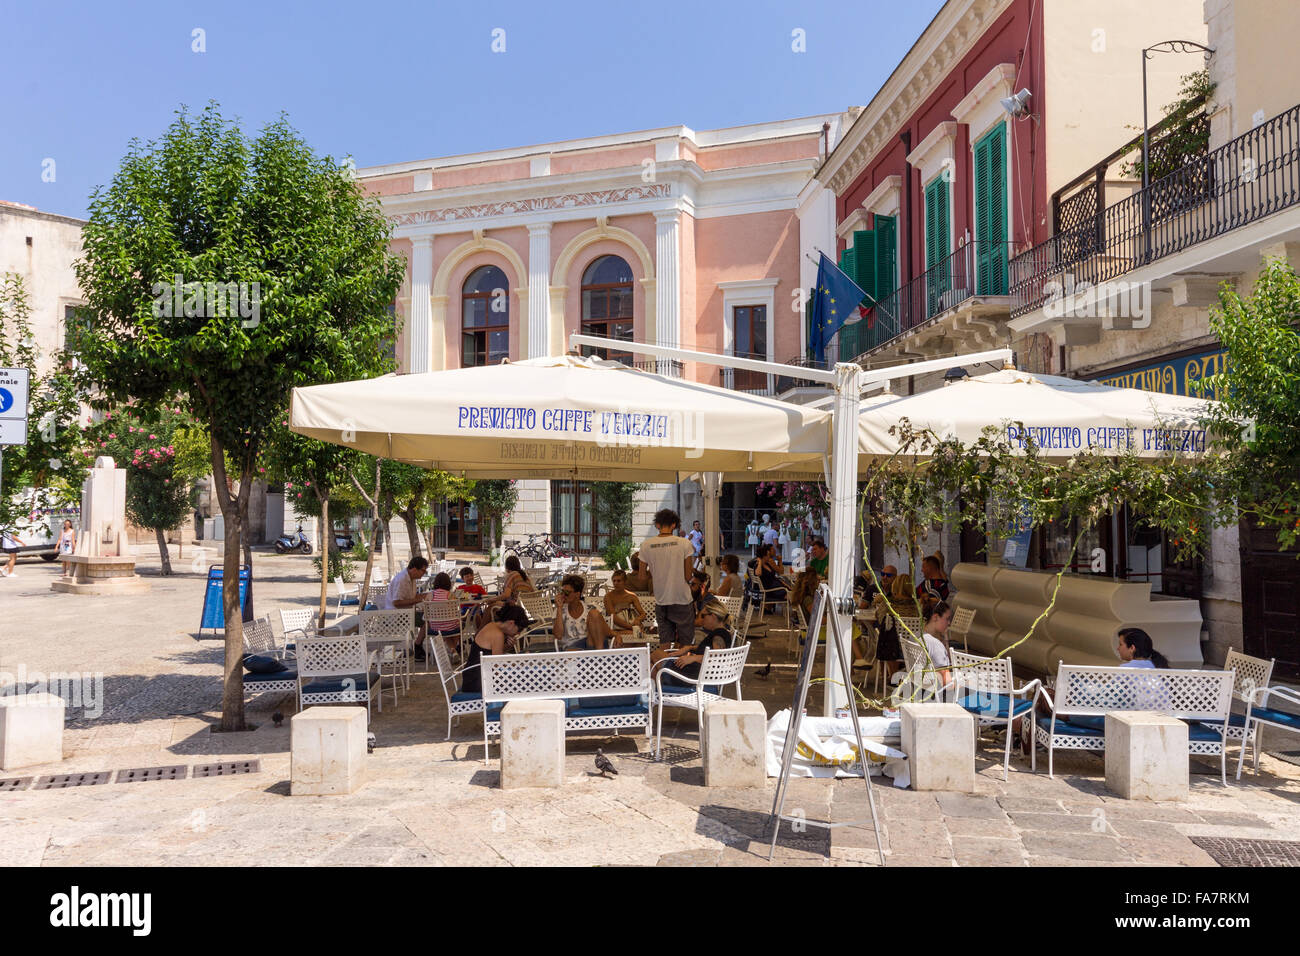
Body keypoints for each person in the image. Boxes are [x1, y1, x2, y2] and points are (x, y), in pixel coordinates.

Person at [638, 508, 696, 647]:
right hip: (682, 598)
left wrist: (657, 574)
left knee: (664, 644)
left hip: (661, 600)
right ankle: (680, 668)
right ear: (674, 525)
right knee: (684, 644)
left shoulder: (646, 545)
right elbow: (688, 576)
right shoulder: (684, 544)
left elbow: (641, 577)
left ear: (657, 525)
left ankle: (664, 667)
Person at [652, 600, 733, 687]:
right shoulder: (722, 633)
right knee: (651, 665)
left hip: (690, 679)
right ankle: (658, 694)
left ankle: (655, 694)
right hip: (693, 675)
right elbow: (708, 650)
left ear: (713, 616)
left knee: (656, 654)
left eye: (703, 616)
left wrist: (693, 658)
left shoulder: (720, 634)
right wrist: (689, 648)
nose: (701, 619)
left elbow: (718, 658)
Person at [459, 604, 530, 696]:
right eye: (519, 629)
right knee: (524, 683)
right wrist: (520, 663)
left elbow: (492, 655)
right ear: (511, 623)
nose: (518, 633)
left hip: (473, 677)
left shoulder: (492, 625)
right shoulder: (498, 635)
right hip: (477, 682)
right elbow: (498, 667)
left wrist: (507, 647)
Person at [553, 574, 611, 650]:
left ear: (577, 594)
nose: (563, 595)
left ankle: (598, 655)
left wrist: (617, 635)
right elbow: (558, 635)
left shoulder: (590, 608)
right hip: (572, 647)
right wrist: (559, 609)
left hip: (593, 643)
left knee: (594, 613)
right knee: (572, 651)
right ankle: (598, 657)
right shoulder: (560, 610)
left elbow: (605, 630)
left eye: (567, 593)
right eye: (562, 592)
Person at [603, 570, 646, 646]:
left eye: (619, 581)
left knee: (639, 635)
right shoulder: (608, 597)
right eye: (614, 581)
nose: (616, 583)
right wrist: (631, 627)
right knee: (636, 634)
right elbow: (613, 617)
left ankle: (639, 655)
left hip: (631, 625)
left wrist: (638, 620)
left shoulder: (631, 596)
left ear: (625, 582)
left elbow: (643, 614)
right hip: (615, 628)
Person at [918, 601, 954, 691]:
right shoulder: (935, 644)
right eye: (947, 619)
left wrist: (945, 639)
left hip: (920, 690)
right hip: (938, 694)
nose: (949, 623)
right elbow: (947, 683)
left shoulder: (916, 636)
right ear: (935, 617)